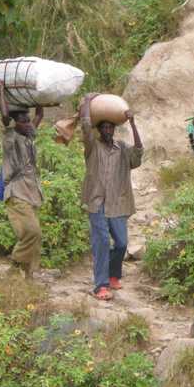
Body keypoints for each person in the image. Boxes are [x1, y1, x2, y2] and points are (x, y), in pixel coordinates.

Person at [80, 93, 143, 300]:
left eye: (110, 128)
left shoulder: (123, 148)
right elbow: (85, 127)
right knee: (101, 242)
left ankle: (113, 275)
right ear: (99, 130)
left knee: (122, 243)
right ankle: (100, 286)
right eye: (104, 128)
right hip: (96, 201)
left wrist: (133, 124)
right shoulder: (92, 146)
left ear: (114, 129)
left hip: (117, 202)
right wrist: (88, 102)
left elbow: (138, 155)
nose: (107, 131)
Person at [0, 80, 45, 281]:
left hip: (32, 192)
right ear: (15, 125)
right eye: (23, 122)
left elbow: (39, 114)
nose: (27, 124)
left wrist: (40, 95)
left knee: (35, 235)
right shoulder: (10, 138)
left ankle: (28, 272)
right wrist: (1, 92)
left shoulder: (28, 136)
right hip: (16, 192)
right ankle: (16, 264)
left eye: (27, 121)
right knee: (31, 231)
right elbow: (5, 117)